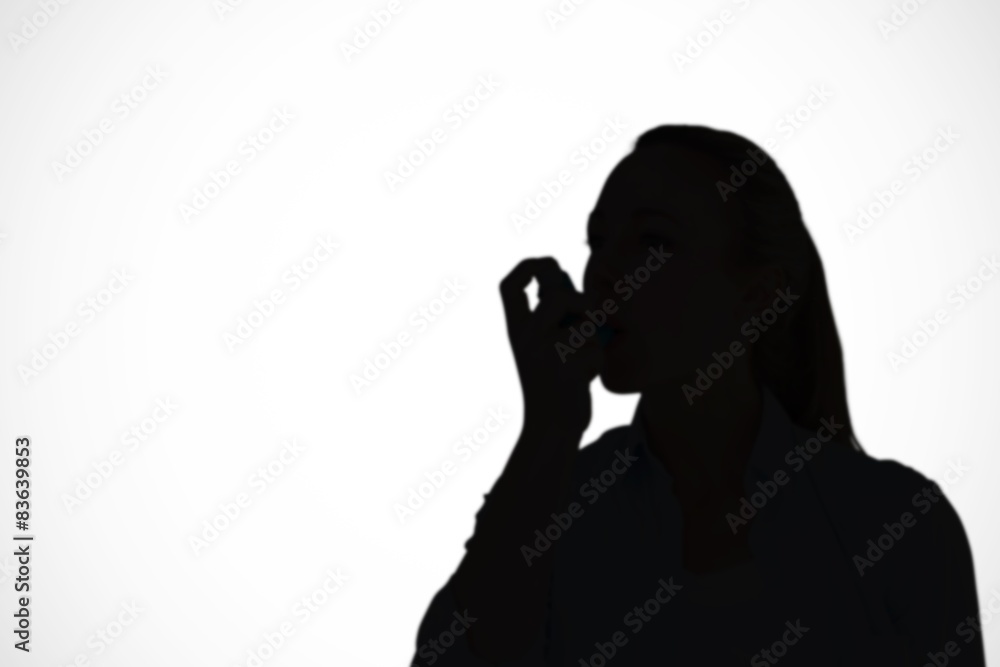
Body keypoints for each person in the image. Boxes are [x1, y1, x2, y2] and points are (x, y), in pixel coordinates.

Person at [410, 125, 986, 666]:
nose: (604, 271)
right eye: (599, 241)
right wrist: (550, 426)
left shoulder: (897, 521)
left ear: (761, 296)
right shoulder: (551, 505)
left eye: (654, 242)